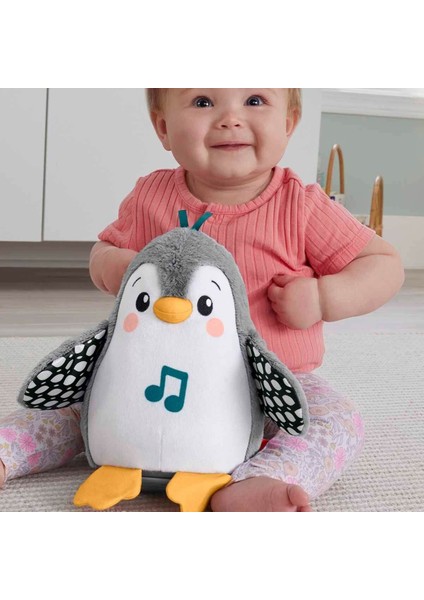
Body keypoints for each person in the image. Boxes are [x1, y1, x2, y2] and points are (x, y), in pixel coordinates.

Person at [0, 89, 404, 511]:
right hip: (146, 381)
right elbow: (105, 250)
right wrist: (117, 266)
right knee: (73, 402)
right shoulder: (152, 195)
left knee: (334, 419)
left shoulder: (301, 206)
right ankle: (8, 452)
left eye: (254, 100)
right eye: (203, 102)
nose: (230, 118)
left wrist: (324, 297)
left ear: (288, 123)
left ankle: (258, 479)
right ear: (163, 128)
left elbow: (382, 264)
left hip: (273, 387)